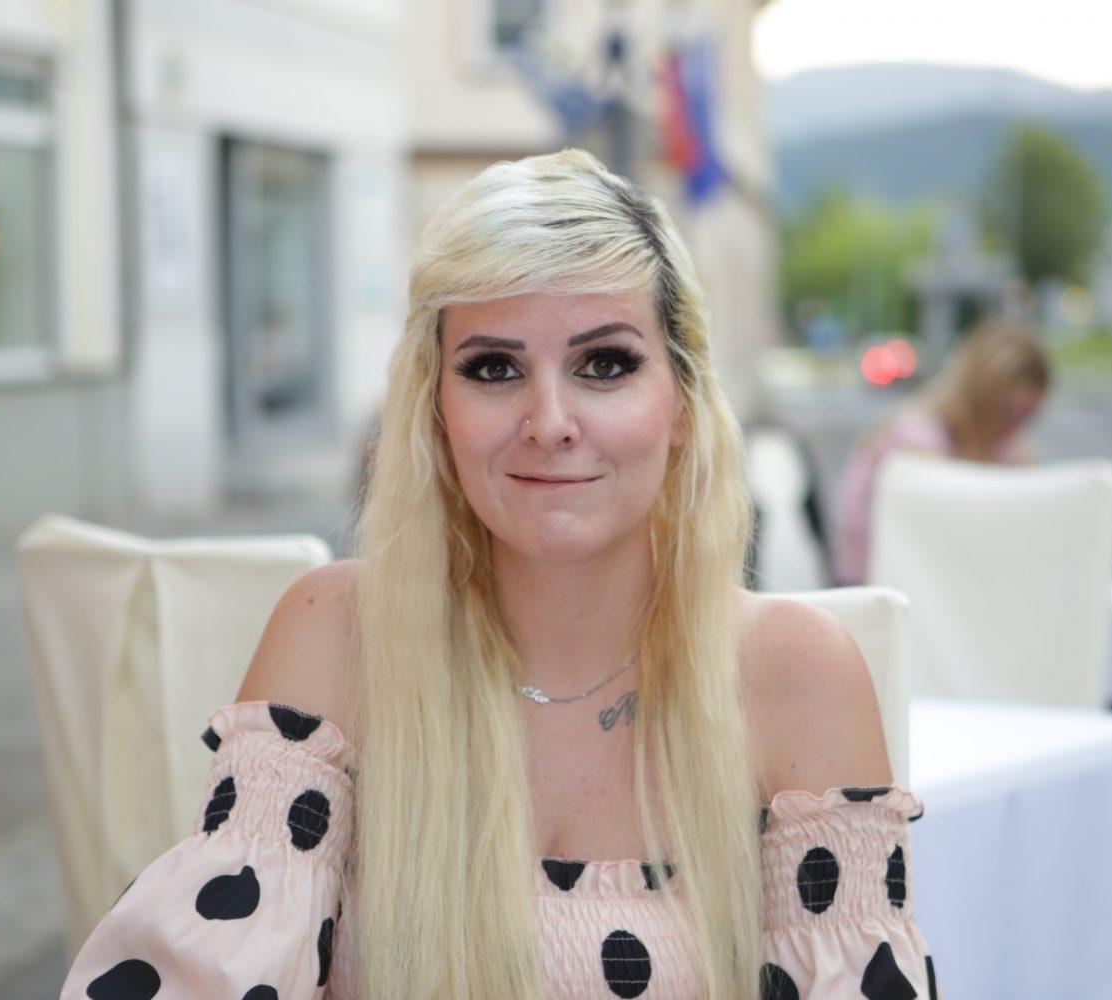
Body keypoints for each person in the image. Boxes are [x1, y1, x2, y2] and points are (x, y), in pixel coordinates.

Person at [60, 150, 936, 999]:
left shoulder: (796, 671)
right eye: (493, 368)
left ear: (682, 402)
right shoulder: (339, 633)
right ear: (435, 411)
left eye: (605, 364)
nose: (549, 422)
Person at [830, 321, 1050, 585]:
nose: (1016, 428)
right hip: (875, 582)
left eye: (1027, 416)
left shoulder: (1005, 441)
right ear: (979, 400)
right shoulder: (917, 440)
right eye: (1007, 414)